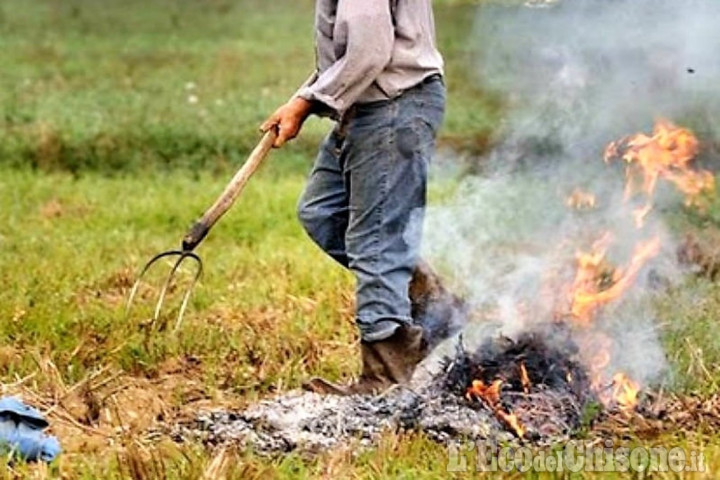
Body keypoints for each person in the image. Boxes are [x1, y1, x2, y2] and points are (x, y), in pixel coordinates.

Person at [261, 0, 461, 395]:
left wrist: (307, 103)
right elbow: (353, 49)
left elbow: (368, 51)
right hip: (367, 105)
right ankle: (437, 312)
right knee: (322, 212)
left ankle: (386, 379)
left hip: (393, 105)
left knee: (376, 245)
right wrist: (303, 98)